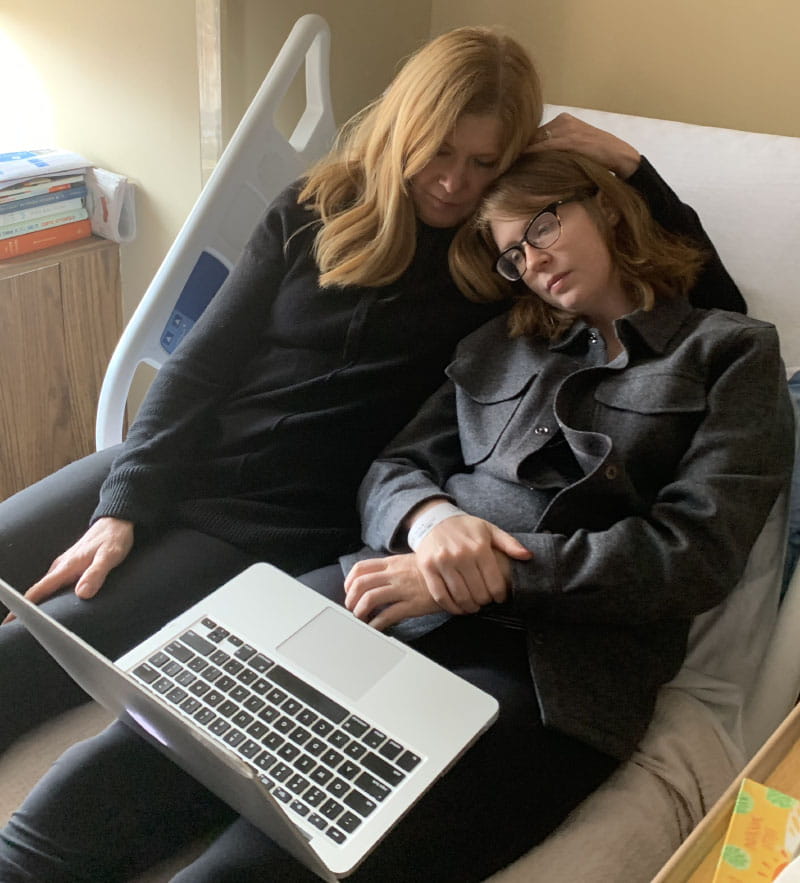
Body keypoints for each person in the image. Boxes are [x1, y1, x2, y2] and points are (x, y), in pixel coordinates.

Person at [0, 149, 788, 883]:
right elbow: (392, 469)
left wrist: (482, 578)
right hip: (374, 594)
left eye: (545, 224)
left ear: (609, 209)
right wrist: (430, 520)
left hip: (547, 673)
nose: (534, 260)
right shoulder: (501, 341)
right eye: (514, 252)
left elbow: (692, 555)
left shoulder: (732, 356)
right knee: (118, 767)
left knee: (262, 859)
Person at [0, 22, 744, 757]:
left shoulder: (502, 273)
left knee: (29, 651)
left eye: (485, 162)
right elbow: (201, 365)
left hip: (266, 526)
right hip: (175, 461)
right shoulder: (312, 208)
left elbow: (712, 310)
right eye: (439, 151)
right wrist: (124, 502)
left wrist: (632, 165)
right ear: (403, 127)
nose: (455, 182)